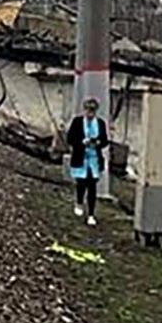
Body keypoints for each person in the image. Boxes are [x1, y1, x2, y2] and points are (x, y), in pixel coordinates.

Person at [64, 97, 110, 226]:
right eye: (88, 111)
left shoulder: (100, 123)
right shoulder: (77, 122)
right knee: (81, 183)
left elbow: (105, 140)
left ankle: (91, 213)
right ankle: (79, 202)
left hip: (94, 158)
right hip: (81, 157)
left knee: (92, 186)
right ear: (84, 110)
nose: (90, 114)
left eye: (92, 111)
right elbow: (70, 138)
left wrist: (99, 142)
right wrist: (81, 142)